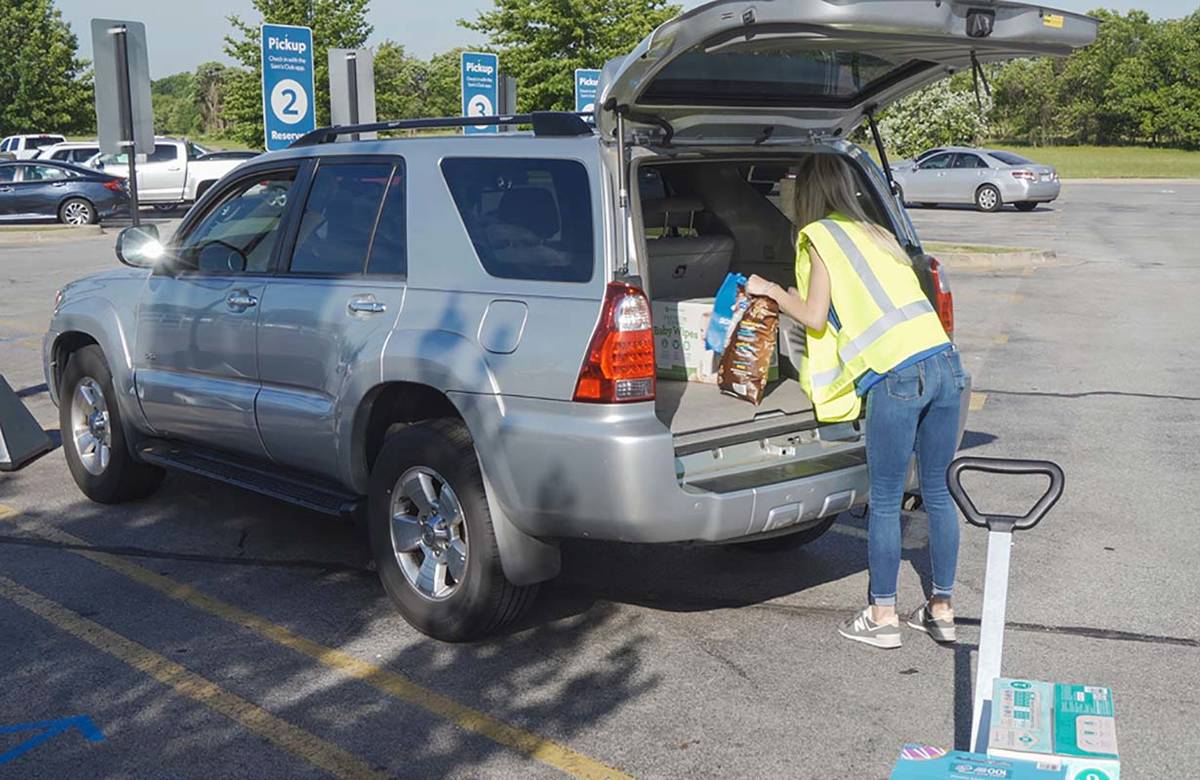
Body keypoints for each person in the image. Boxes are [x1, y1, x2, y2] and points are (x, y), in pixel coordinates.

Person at [746, 154, 968, 650]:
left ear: (806, 193)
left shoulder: (819, 237)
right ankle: (942, 609)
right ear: (847, 186)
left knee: (886, 500)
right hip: (947, 366)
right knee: (935, 492)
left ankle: (882, 614)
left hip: (896, 375)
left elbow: (815, 316)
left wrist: (769, 291)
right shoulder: (877, 232)